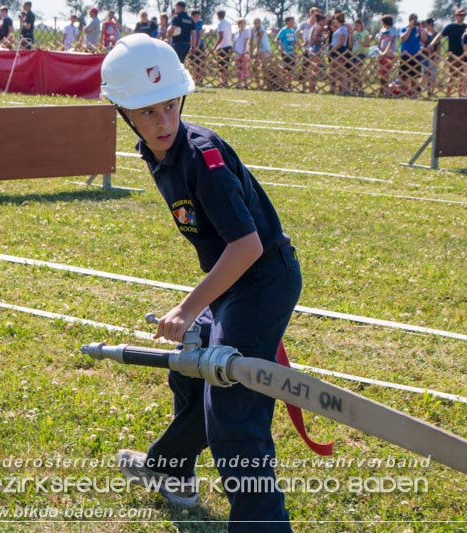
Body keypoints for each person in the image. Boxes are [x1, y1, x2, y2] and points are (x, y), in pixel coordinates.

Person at [101, 32, 301, 532]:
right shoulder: (159, 153)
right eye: (147, 112)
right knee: (188, 370)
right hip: (234, 284)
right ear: (124, 112)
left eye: (170, 106)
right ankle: (173, 472)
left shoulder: (201, 156)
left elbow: (248, 246)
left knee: (234, 413)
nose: (162, 121)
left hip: (262, 281)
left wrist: (188, 309)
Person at [429, 7, 467, 95]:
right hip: (452, 55)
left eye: (463, 15)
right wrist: (432, 43)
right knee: (452, 76)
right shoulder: (450, 27)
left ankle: (460, 95)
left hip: (464, 55)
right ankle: (448, 95)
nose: (462, 17)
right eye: (460, 15)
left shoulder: (466, 27)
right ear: (456, 16)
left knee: (462, 76)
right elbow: (440, 36)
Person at [399, 13, 425, 97]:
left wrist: (421, 29)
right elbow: (403, 38)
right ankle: (402, 93)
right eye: (413, 20)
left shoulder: (418, 30)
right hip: (405, 55)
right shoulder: (404, 29)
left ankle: (413, 94)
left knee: (415, 76)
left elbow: (424, 39)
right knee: (403, 76)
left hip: (416, 55)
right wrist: (410, 28)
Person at [376, 13, 397, 96]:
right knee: (381, 72)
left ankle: (386, 91)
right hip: (381, 54)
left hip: (389, 54)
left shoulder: (393, 29)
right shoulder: (382, 30)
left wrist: (386, 52)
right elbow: (380, 41)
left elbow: (391, 41)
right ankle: (381, 90)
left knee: (386, 72)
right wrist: (380, 50)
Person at [328, 14, 349, 95]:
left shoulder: (343, 29)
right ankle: (333, 89)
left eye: (335, 20)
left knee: (340, 70)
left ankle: (343, 89)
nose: (334, 22)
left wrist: (332, 50)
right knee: (333, 70)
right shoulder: (339, 29)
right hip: (335, 49)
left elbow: (341, 42)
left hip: (339, 50)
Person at [276, 16, 297, 90]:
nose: (292, 23)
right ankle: (282, 84)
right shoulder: (283, 30)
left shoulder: (293, 31)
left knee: (291, 69)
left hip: (292, 53)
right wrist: (281, 46)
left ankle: (289, 85)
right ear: (287, 22)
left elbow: (295, 41)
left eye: (293, 21)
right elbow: (277, 40)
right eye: (291, 21)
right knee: (285, 69)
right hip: (285, 53)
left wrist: (299, 46)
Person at [213, 10, 232, 87]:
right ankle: (225, 81)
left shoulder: (220, 24)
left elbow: (221, 36)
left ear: (218, 16)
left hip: (222, 46)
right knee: (225, 65)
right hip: (229, 45)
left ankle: (223, 81)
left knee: (221, 65)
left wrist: (215, 46)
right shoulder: (228, 23)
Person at [251, 18, 271, 90]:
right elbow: (251, 41)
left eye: (257, 23)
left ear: (260, 23)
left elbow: (259, 40)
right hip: (257, 48)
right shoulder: (252, 29)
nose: (256, 24)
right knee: (254, 66)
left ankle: (265, 84)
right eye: (254, 23)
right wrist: (251, 52)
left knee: (264, 67)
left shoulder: (261, 29)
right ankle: (258, 83)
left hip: (265, 49)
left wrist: (258, 51)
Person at [421, 18, 438, 96]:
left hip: (434, 57)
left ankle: (431, 91)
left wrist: (434, 58)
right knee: (426, 74)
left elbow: (439, 47)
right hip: (426, 57)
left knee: (433, 75)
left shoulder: (436, 34)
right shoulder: (426, 34)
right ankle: (426, 90)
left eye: (426, 25)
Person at [234, 18, 251, 89]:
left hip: (244, 52)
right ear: (239, 24)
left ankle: (246, 84)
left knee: (244, 68)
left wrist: (244, 51)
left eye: (244, 23)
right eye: (242, 23)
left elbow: (246, 41)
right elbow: (235, 42)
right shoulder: (236, 32)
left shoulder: (247, 31)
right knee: (238, 68)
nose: (243, 24)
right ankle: (239, 84)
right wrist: (234, 49)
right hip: (237, 51)